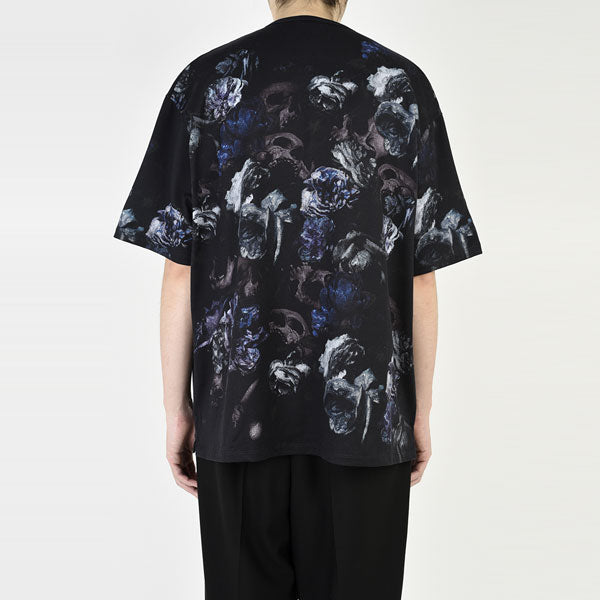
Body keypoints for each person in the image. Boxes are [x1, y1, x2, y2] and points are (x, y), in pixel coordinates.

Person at [113, 0, 482, 597]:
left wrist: (176, 410)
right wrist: (420, 412)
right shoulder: (403, 86)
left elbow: (179, 271)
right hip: (367, 427)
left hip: (236, 420)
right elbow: (421, 275)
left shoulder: (203, 83)